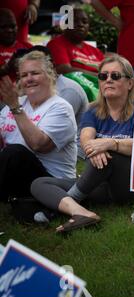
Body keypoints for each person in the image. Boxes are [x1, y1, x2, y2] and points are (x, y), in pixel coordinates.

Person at [30, 54, 134, 232]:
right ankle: (80, 211)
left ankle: (56, 210)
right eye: (103, 76)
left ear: (130, 83)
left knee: (111, 156)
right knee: (39, 183)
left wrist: (111, 144)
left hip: (132, 184)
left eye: (115, 76)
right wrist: (96, 148)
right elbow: (86, 138)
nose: (108, 80)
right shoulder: (93, 109)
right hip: (100, 183)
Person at [0, 50, 77, 202]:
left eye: (34, 73)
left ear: (50, 74)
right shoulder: (18, 102)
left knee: (14, 152)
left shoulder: (60, 107)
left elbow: (38, 144)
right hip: (16, 173)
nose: (29, 79)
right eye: (24, 75)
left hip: (51, 181)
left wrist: (15, 107)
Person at [47, 7, 105, 76]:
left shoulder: (95, 51)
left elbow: (108, 71)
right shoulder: (56, 44)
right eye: (75, 21)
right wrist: (100, 76)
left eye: (84, 22)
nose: (80, 25)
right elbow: (64, 70)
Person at [0, 9, 32, 81]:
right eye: (4, 27)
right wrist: (8, 67)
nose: (9, 30)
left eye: (12, 26)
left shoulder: (28, 47)